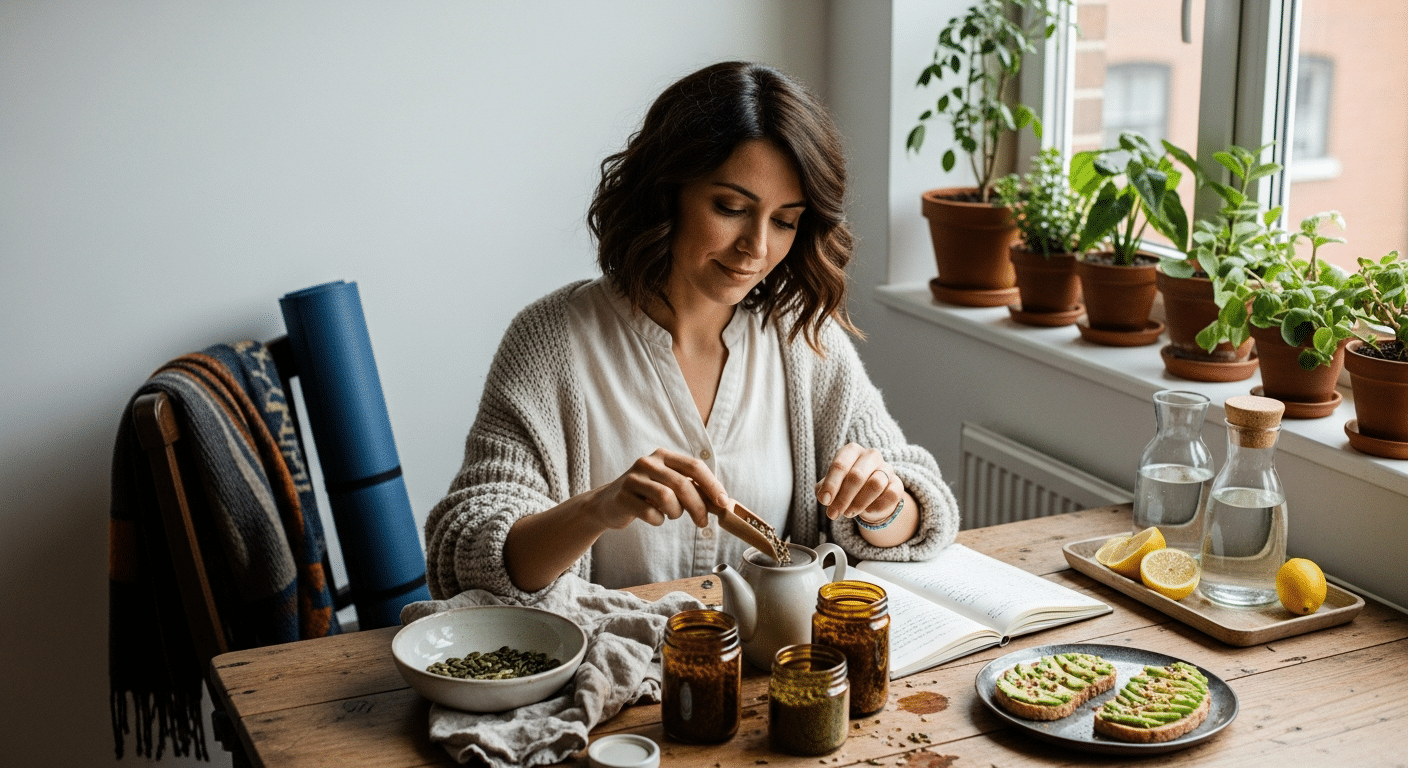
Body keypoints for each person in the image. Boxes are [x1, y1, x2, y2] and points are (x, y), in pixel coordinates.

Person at [425, 61, 959, 600]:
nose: (756, 247)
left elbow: (921, 511)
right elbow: (466, 555)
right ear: (665, 192)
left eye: (784, 221)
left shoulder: (801, 340)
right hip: (612, 671)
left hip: (768, 675)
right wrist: (597, 508)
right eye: (731, 207)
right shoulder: (551, 342)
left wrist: (882, 504)